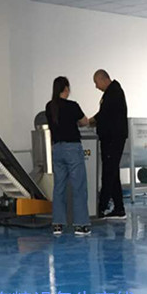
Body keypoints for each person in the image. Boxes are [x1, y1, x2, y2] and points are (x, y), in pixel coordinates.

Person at [45, 76, 91, 236]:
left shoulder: (49, 106)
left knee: (59, 187)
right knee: (78, 186)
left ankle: (57, 224)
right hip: (72, 148)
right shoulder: (72, 106)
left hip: (56, 149)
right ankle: (81, 225)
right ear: (66, 89)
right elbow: (85, 121)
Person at [89, 69, 128, 219]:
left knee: (108, 173)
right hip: (111, 138)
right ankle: (119, 208)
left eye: (96, 82)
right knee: (113, 173)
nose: (96, 86)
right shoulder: (111, 92)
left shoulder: (114, 92)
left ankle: (101, 207)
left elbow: (104, 114)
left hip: (113, 138)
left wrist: (90, 121)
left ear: (103, 79)